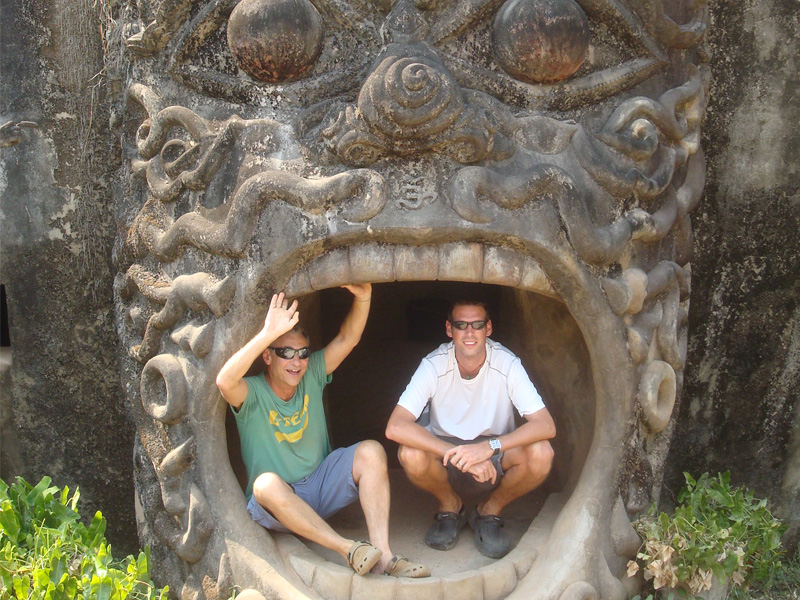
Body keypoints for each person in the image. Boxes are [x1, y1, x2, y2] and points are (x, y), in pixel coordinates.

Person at [216, 285, 429, 578]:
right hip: (281, 504)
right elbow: (225, 382)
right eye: (286, 353)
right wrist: (267, 333)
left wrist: (364, 297)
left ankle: (384, 556)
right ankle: (348, 549)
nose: (297, 361)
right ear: (268, 357)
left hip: (319, 486)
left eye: (302, 353)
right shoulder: (252, 393)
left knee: (371, 451)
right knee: (264, 485)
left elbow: (347, 338)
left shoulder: (312, 372)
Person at [385, 300, 555, 558]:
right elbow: (395, 426)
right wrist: (459, 455)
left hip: (494, 446)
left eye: (477, 325)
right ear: (448, 329)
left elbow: (545, 424)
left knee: (542, 454)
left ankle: (488, 511)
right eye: (461, 325)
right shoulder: (434, 364)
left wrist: (488, 448)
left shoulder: (506, 363)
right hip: (444, 445)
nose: (469, 332)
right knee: (410, 453)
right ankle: (450, 506)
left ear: (488, 328)